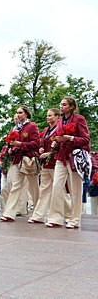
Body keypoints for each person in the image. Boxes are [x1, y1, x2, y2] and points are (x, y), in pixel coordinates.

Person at [47, 97, 91, 228]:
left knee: (75, 189)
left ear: (71, 107)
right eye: (60, 104)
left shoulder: (79, 119)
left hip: (74, 158)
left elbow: (85, 139)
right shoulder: (60, 121)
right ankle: (56, 217)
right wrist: (56, 142)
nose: (61, 106)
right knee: (56, 187)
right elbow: (59, 137)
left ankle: (74, 219)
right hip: (61, 157)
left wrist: (70, 138)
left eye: (64, 104)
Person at [0, 105, 40, 222]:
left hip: (29, 160)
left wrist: (20, 144)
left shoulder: (32, 126)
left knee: (33, 187)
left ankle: (39, 212)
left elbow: (36, 143)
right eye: (17, 112)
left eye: (21, 112)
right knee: (15, 186)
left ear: (26, 114)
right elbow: (13, 143)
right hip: (18, 160)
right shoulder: (16, 128)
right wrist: (12, 148)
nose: (18, 115)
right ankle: (9, 213)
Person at [28, 108, 60, 224]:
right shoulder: (47, 130)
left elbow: (61, 146)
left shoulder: (59, 129)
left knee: (59, 190)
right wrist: (41, 148)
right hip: (45, 164)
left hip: (55, 163)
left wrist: (50, 153)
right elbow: (43, 142)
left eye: (50, 116)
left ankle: (67, 214)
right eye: (47, 116)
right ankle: (39, 215)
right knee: (44, 189)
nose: (48, 118)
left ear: (57, 117)